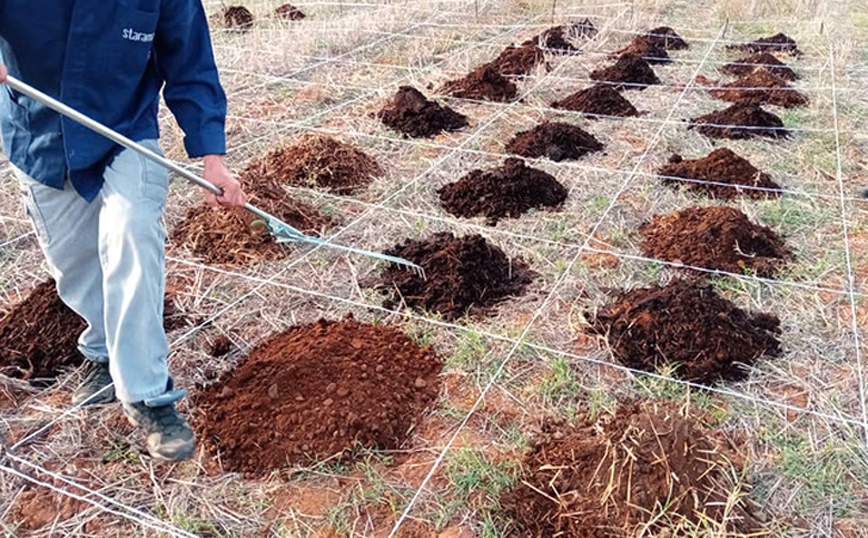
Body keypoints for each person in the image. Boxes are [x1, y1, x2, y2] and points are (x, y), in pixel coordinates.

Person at [0, 2, 247, 461]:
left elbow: (189, 58)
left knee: (132, 231)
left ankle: (147, 395)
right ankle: (101, 350)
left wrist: (213, 157)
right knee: (73, 264)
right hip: (38, 132)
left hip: (124, 130)